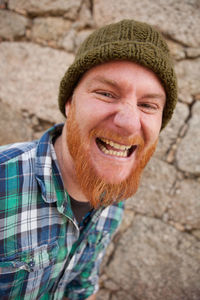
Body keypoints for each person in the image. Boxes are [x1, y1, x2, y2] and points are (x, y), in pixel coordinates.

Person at [0, 19, 177, 300]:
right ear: (70, 103)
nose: (130, 122)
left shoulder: (114, 198)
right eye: (106, 94)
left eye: (147, 105)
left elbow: (80, 286)